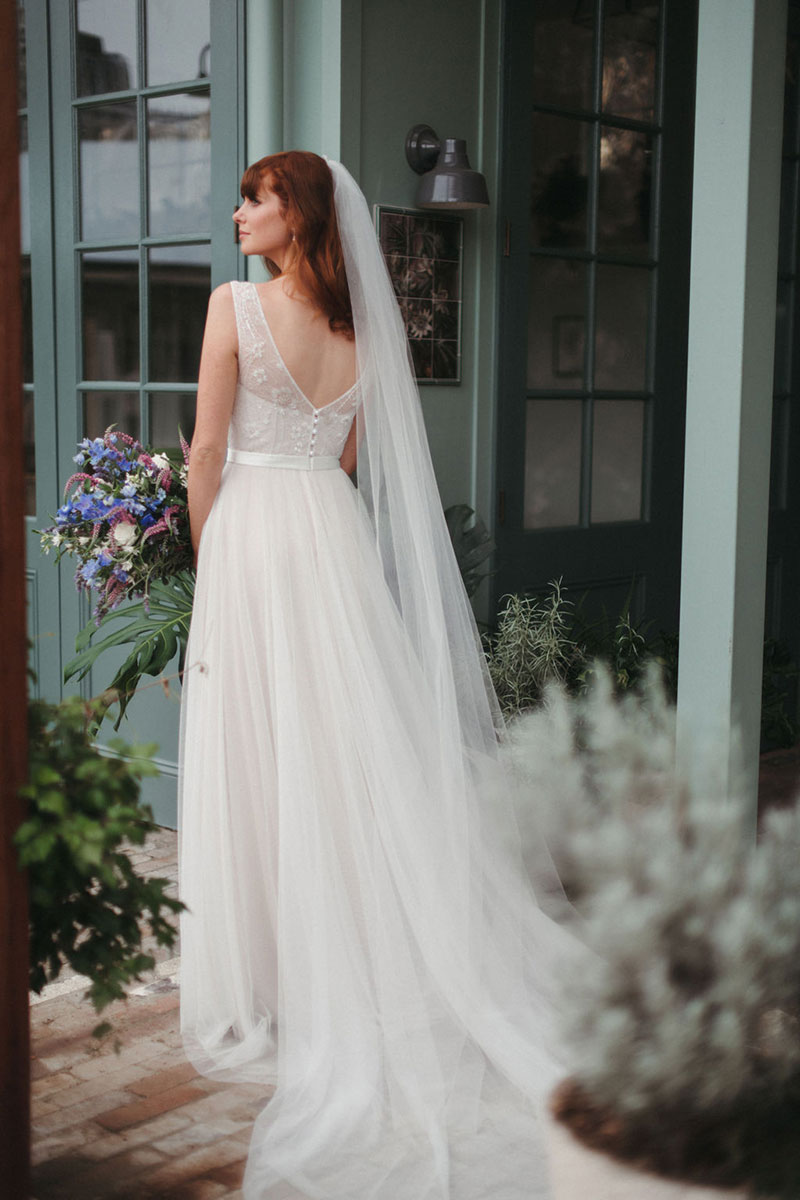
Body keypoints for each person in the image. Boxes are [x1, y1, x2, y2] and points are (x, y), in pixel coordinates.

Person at [179, 151, 568, 1200]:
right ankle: (348, 952)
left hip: (253, 541)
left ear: (294, 213)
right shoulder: (363, 333)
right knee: (339, 752)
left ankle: (266, 975)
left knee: (256, 745)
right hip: (326, 539)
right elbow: (347, 461)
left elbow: (205, 456)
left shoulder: (231, 307)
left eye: (254, 199)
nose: (238, 212)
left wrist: (206, 559)